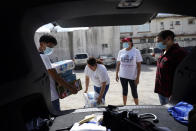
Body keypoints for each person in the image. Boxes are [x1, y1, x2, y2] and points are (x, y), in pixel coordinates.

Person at [38, 34, 78, 111]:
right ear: (41, 44)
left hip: (44, 96)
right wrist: (71, 88)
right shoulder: (44, 57)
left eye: (52, 47)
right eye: (49, 46)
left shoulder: (35, 56)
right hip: (52, 97)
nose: (51, 49)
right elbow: (55, 77)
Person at [155, 30, 187, 105]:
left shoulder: (180, 53)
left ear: (168, 39)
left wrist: (175, 93)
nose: (157, 44)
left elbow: (184, 76)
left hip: (171, 94)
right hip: (161, 91)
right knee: (165, 112)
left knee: (172, 114)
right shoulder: (164, 51)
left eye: (159, 41)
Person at [116, 37, 143, 105]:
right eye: (123, 42)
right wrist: (116, 74)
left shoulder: (136, 51)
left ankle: (137, 106)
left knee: (134, 92)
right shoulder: (121, 51)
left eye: (126, 42)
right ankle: (125, 105)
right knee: (124, 91)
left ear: (131, 42)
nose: (124, 43)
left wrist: (137, 78)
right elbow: (118, 64)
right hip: (122, 76)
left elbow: (139, 66)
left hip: (132, 76)